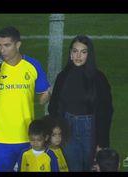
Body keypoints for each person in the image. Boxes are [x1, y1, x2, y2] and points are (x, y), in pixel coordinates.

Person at [0, 26, 50, 171]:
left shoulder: (33, 66)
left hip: (27, 137)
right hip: (0, 139)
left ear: (18, 44)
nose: (2, 50)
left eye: (7, 45)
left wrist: (51, 91)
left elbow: (42, 99)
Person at [48, 35, 113, 171]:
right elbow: (53, 105)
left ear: (89, 55)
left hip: (90, 130)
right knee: (73, 168)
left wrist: (102, 142)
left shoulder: (99, 78)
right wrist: (56, 130)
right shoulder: (63, 76)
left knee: (90, 168)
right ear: (70, 53)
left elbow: (106, 112)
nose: (78, 55)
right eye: (75, 51)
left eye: (83, 52)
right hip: (67, 128)